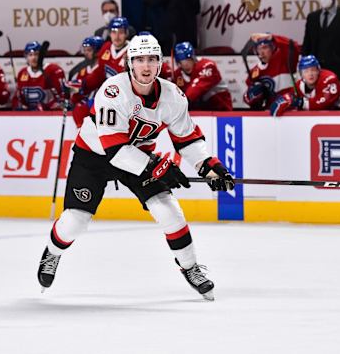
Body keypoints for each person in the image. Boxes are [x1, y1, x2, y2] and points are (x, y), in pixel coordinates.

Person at [36, 33, 235, 301]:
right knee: (75, 222)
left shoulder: (173, 96)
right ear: (130, 63)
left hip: (139, 157)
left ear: (160, 63)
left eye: (151, 59)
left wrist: (210, 166)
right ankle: (53, 253)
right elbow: (115, 150)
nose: (145, 66)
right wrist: (157, 167)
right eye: (139, 59)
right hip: (94, 156)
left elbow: (187, 138)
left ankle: (190, 267)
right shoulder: (112, 91)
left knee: (170, 211)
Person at [270, 55, 340, 116]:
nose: (310, 74)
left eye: (313, 70)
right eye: (306, 71)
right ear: (301, 74)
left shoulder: (329, 79)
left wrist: (300, 103)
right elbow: (294, 102)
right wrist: (287, 100)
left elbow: (323, 104)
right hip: (325, 116)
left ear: (318, 70)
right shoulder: (299, 86)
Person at [133, 0, 200, 55]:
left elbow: (153, 1)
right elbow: (197, 9)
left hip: (174, 33)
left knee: (172, 57)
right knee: (188, 57)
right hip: (190, 31)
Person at [243, 33, 299, 111]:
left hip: (289, 110)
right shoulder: (254, 72)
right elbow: (247, 97)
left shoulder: (283, 59)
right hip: (270, 113)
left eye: (265, 48)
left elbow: (293, 46)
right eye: (259, 49)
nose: (262, 52)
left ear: (272, 48)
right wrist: (250, 96)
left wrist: (272, 37)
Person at [173, 41, 232, 111]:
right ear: (178, 63)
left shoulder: (208, 66)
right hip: (198, 112)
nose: (186, 64)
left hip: (221, 110)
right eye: (182, 61)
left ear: (193, 58)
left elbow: (199, 86)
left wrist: (183, 101)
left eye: (189, 60)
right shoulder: (177, 74)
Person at [79, 17, 131, 96]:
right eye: (114, 32)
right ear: (110, 33)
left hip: (126, 94)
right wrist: (84, 84)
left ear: (126, 33)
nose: (117, 36)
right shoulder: (106, 48)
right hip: (110, 93)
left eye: (121, 32)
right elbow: (99, 73)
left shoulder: (132, 50)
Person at [11, 41, 66, 111]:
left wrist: (47, 107)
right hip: (28, 116)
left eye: (36, 54)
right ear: (26, 57)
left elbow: (62, 97)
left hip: (49, 115)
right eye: (30, 55)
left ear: (42, 55)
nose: (33, 58)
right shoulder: (22, 73)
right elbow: (18, 98)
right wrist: (19, 105)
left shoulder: (54, 70)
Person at [68, 36, 105, 128]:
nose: (86, 53)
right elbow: (81, 91)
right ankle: (81, 133)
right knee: (79, 107)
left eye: (89, 50)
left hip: (104, 106)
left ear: (97, 51)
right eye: (85, 50)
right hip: (89, 105)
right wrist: (72, 99)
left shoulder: (104, 67)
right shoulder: (83, 70)